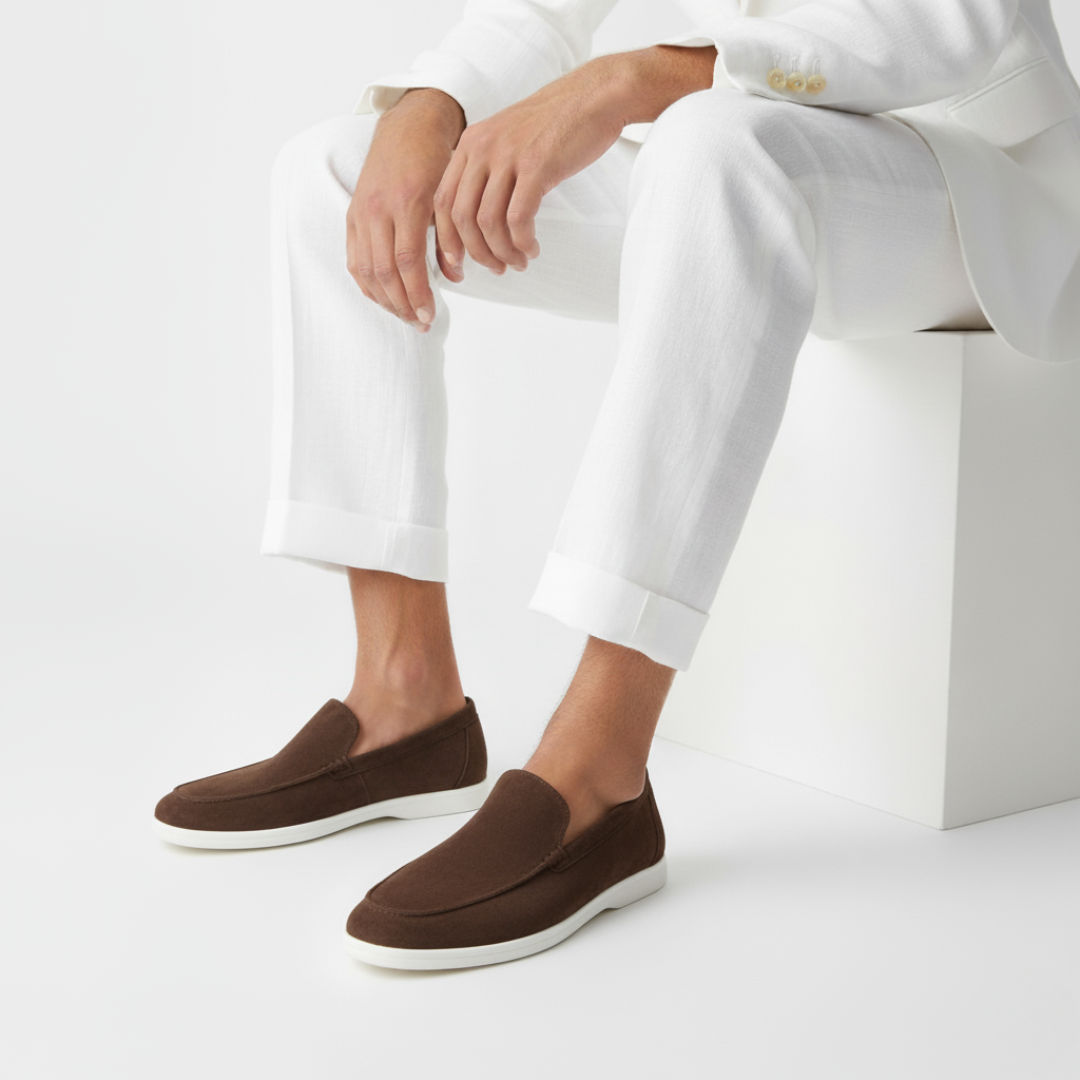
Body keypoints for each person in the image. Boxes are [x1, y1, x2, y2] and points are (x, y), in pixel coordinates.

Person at [153, 0, 1080, 969]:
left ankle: (600, 778)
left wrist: (631, 79)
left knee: (714, 145)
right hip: (746, 135)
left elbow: (957, 20)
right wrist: (435, 101)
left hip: (977, 185)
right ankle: (403, 699)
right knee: (337, 170)